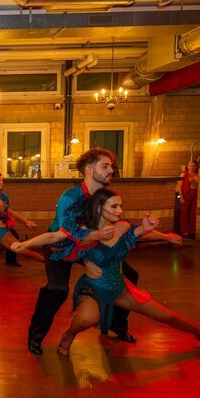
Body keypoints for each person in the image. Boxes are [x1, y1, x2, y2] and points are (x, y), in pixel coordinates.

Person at [13, 188, 200, 356]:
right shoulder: (84, 231)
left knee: (168, 316)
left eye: (121, 206)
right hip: (94, 289)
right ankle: (68, 336)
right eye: (114, 206)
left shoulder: (122, 227)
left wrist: (164, 235)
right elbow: (53, 236)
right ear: (100, 208)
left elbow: (141, 233)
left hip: (120, 288)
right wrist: (25, 244)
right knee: (87, 319)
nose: (120, 211)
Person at [26, 148, 139, 355]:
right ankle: (35, 336)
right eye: (105, 166)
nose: (111, 170)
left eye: (111, 166)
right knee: (58, 289)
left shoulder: (105, 195)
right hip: (60, 245)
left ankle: (116, 324)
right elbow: (67, 233)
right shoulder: (70, 197)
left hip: (90, 242)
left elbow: (116, 221)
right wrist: (96, 235)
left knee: (130, 275)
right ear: (89, 169)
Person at [177, 161, 199, 238]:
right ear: (188, 166)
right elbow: (179, 186)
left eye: (194, 166)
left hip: (196, 194)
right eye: (190, 166)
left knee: (193, 212)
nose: (192, 167)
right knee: (185, 213)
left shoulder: (199, 174)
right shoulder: (184, 174)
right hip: (186, 194)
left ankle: (192, 230)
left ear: (196, 166)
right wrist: (181, 197)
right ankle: (185, 230)